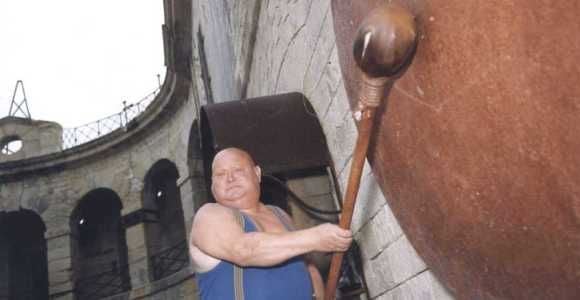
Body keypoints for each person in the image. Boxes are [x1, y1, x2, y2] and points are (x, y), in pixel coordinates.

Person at [189, 147, 353, 300]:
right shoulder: (208, 216)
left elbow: (309, 268)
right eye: (220, 174)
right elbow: (244, 250)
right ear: (212, 185)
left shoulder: (279, 214)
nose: (230, 178)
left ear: (257, 174)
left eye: (238, 170)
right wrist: (315, 237)